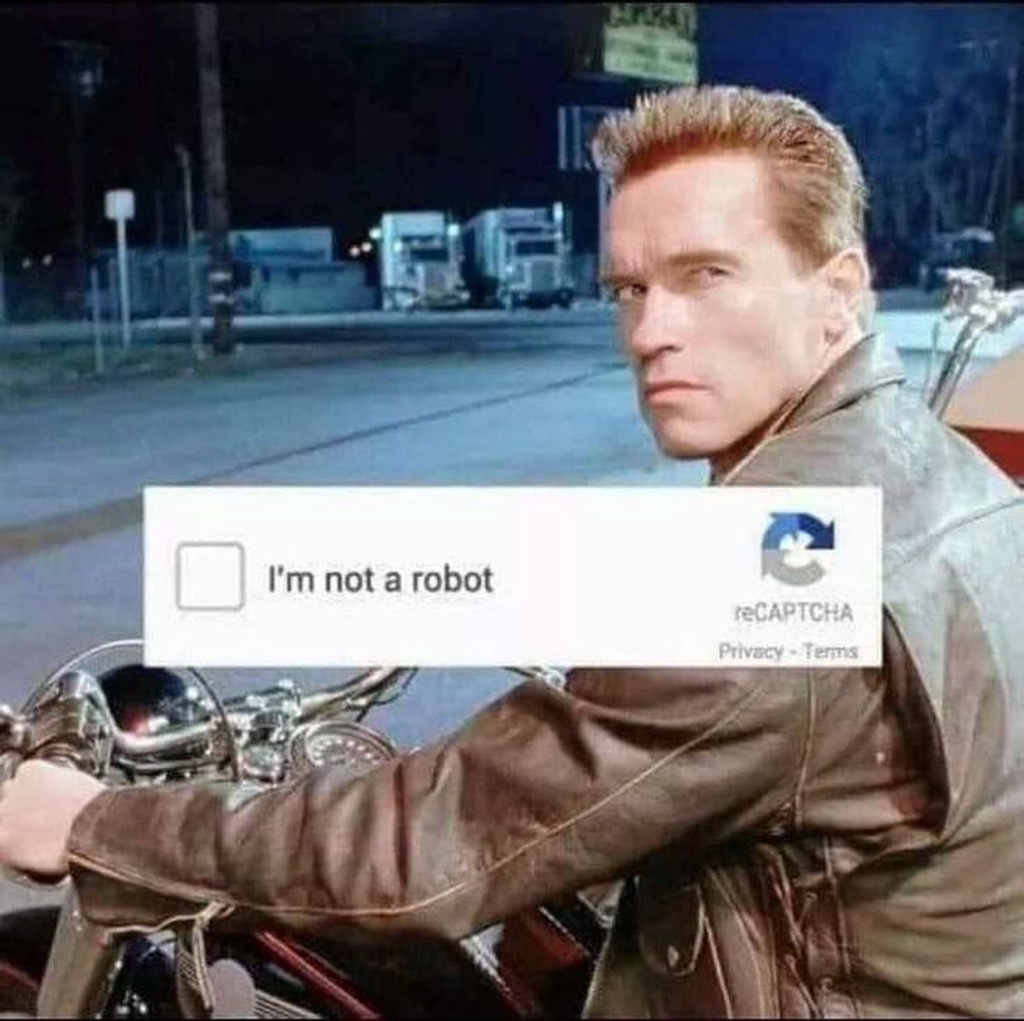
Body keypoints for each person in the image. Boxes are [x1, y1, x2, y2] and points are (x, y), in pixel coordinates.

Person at [2, 84, 1023, 1018]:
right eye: (629, 290)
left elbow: (426, 850)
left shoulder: (764, 572)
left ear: (839, 289)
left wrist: (99, 824)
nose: (650, 332)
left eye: (705, 276)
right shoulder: (938, 473)